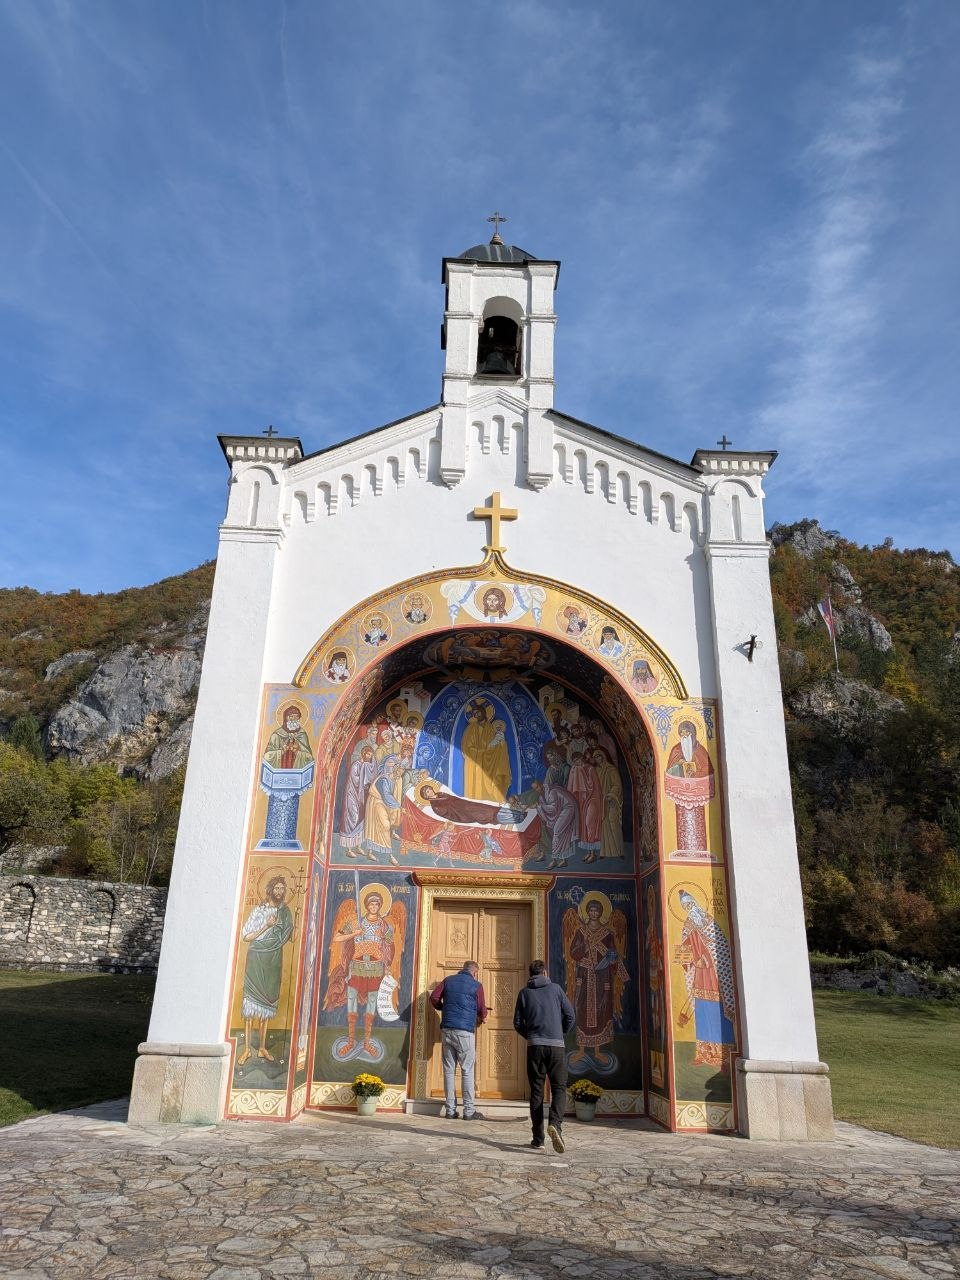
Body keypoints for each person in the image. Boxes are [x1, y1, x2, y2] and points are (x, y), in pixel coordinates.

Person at [513, 960, 575, 1152]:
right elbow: (570, 1015)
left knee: (537, 1091)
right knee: (559, 1088)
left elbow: (517, 1023)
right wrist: (560, 1033)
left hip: (535, 1047)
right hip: (556, 1047)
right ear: (545, 972)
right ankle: (555, 1125)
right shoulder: (556, 989)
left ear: (530, 974)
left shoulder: (524, 993)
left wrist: (531, 1036)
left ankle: (538, 1138)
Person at [237, 876, 295, 1065]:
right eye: (276, 888)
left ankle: (261, 1048)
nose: (279, 891)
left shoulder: (285, 912)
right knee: (250, 1006)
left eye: (282, 888)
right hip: (256, 959)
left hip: (274, 960)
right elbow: (247, 936)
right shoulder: (259, 911)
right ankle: (246, 1049)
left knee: (267, 1004)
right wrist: (266, 926)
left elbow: (287, 934)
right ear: (270, 890)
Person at [429, 960, 488, 1120]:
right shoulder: (476, 985)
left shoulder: (448, 981)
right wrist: (483, 1017)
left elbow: (434, 998)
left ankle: (450, 1110)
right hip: (464, 1032)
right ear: (475, 972)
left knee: (448, 1070)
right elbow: (482, 1008)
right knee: (467, 1070)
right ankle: (469, 1111)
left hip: (447, 1029)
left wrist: (443, 1008)